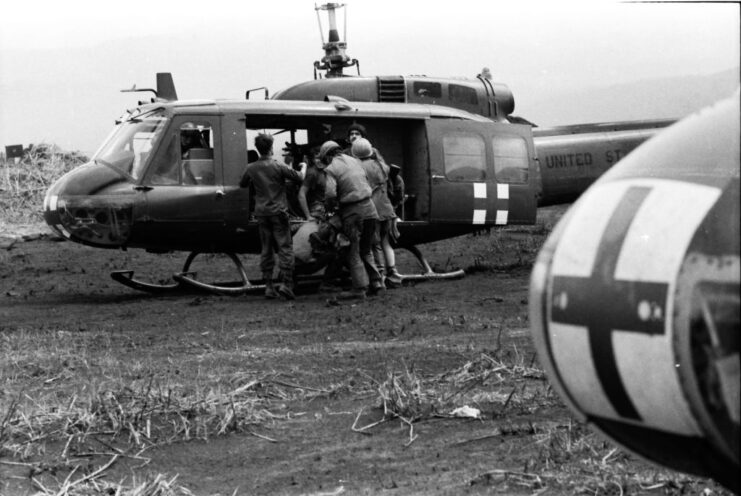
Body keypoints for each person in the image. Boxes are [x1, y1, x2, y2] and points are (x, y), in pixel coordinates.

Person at [239, 133, 304, 300]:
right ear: (270, 147)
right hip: (279, 212)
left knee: (266, 248)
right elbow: (299, 177)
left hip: (261, 212)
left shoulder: (251, 167)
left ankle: (268, 286)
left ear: (258, 148)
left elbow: (243, 183)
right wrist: (304, 165)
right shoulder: (278, 166)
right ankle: (287, 284)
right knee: (284, 247)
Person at [316, 140, 383, 299]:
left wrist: (329, 211)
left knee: (353, 251)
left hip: (353, 212)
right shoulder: (355, 161)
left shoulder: (331, 168)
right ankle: (377, 283)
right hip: (370, 208)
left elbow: (330, 194)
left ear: (328, 156)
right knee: (366, 249)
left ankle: (359, 289)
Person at [351, 138, 398, 289]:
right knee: (386, 243)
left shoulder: (358, 168)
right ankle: (392, 272)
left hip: (373, 211)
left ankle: (380, 277)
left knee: (374, 245)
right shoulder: (382, 166)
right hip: (387, 210)